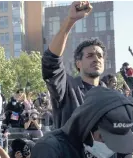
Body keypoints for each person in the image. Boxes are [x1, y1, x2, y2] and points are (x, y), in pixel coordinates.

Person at [24, 87, 133, 158]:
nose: (109, 146)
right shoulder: (49, 150)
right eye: (103, 137)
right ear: (87, 126)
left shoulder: (109, 154)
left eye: (115, 142)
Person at [42, 1, 108, 129]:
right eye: (90, 56)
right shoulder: (67, 88)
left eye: (100, 56)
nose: (96, 59)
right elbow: (51, 61)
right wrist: (71, 20)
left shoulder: (110, 95)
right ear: (78, 63)